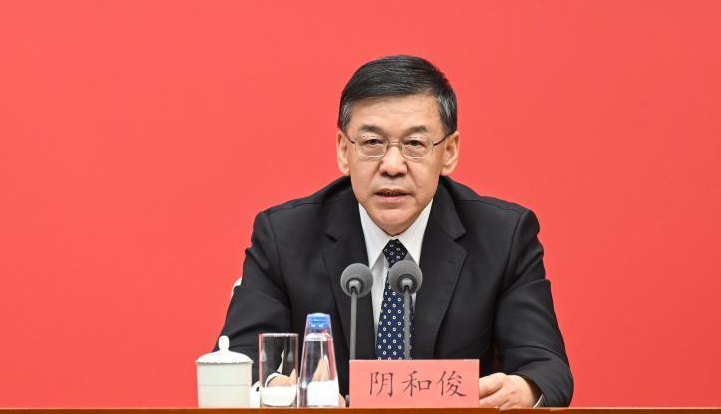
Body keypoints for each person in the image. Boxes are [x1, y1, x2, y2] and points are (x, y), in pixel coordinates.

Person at [217, 55, 573, 408]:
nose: (392, 165)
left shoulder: (502, 237)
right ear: (343, 150)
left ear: (449, 151)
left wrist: (522, 390)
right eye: (372, 142)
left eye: (415, 144)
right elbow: (238, 361)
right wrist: (278, 389)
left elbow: (546, 367)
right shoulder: (285, 236)